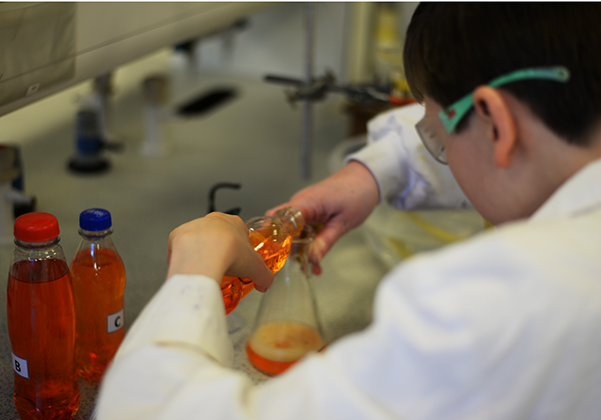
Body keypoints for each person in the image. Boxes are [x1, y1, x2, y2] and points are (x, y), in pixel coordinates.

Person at [95, 3, 601, 419]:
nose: (437, 152)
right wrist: (371, 173)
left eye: (437, 140)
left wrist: (192, 272)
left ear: (495, 121)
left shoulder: (490, 304)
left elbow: (142, 409)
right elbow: (511, 159)